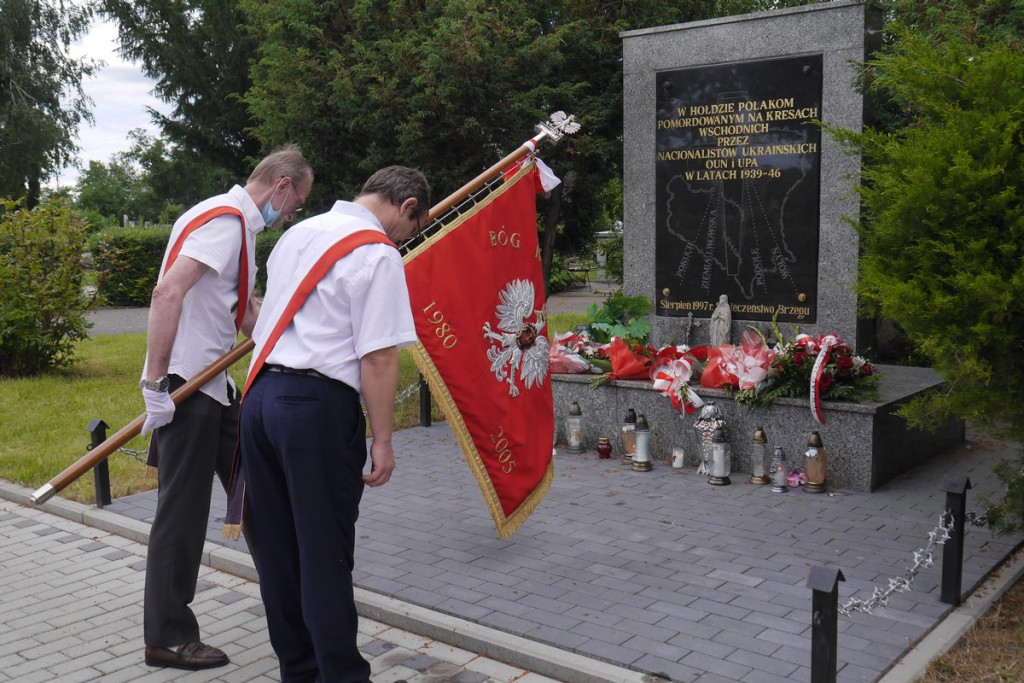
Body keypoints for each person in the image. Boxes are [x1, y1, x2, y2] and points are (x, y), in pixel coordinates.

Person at [239, 166, 429, 682]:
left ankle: (299, 671)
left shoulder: (299, 232)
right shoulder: (377, 253)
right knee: (323, 553)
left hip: (259, 401)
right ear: (407, 206)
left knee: (279, 553)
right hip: (315, 409)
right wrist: (383, 440)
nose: (403, 240)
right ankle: (342, 675)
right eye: (410, 229)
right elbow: (379, 358)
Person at [139, 144, 313, 671]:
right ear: (281, 185)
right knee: (183, 515)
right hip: (187, 390)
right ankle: (167, 638)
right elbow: (167, 293)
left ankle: (297, 609)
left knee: (260, 494)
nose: (291, 215)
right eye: (296, 204)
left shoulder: (240, 226)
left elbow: (242, 315)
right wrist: (156, 381)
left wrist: (295, 338)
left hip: (217, 389)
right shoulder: (221, 220)